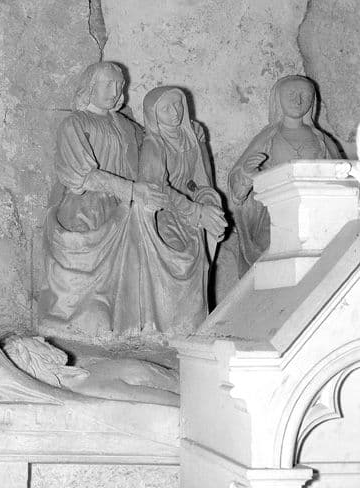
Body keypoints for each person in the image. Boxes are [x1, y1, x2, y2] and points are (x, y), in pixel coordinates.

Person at [39, 62, 167, 337]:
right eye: (108, 84)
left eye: (119, 85)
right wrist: (131, 190)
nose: (115, 91)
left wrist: (182, 133)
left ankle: (122, 318)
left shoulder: (125, 126)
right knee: (79, 248)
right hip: (84, 205)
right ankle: (74, 318)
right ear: (90, 88)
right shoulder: (75, 123)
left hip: (123, 206)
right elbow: (81, 176)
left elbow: (154, 142)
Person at [228, 75, 340, 275]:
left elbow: (340, 173)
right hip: (275, 219)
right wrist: (246, 176)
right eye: (291, 95)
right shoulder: (269, 137)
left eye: (305, 95)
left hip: (316, 217)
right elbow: (237, 182)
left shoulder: (320, 139)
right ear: (278, 99)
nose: (298, 100)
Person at [136, 86, 226, 333]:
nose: (175, 112)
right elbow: (156, 189)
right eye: (166, 108)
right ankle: (169, 325)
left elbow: (198, 181)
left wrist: (208, 203)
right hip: (162, 216)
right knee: (179, 260)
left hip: (188, 216)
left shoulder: (190, 138)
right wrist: (196, 211)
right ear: (153, 114)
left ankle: (193, 326)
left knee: (199, 262)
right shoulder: (153, 144)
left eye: (178, 105)